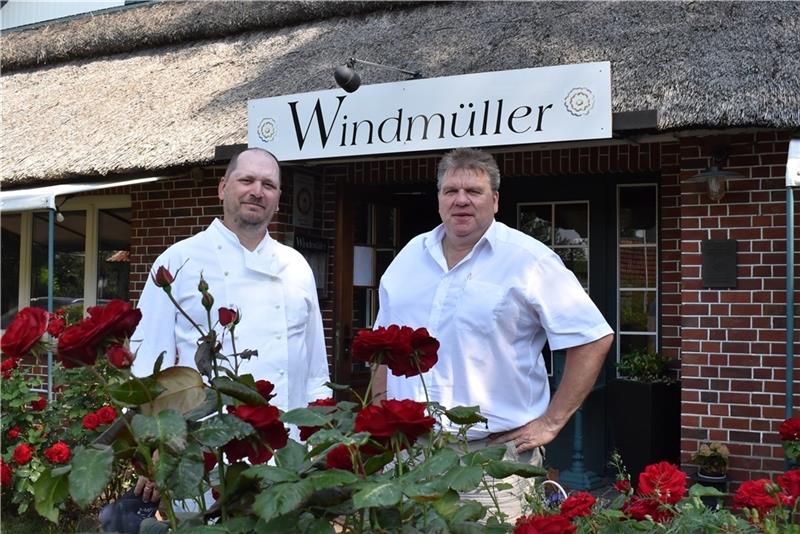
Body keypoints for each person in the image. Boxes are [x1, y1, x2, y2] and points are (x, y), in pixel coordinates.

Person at [373, 147, 613, 519]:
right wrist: (378, 415)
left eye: (474, 191)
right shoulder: (407, 259)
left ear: (496, 201)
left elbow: (593, 337)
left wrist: (551, 421)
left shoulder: (528, 260)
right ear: (439, 200)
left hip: (492, 463)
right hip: (409, 454)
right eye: (451, 191)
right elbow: (383, 347)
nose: (461, 200)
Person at [130, 148, 330, 503]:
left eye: (268, 184)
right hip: (203, 455)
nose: (257, 191)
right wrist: (156, 450)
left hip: (286, 455)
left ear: (279, 199)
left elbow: (315, 367)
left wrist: (319, 442)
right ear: (223, 188)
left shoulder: (296, 267)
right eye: (247, 180)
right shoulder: (179, 260)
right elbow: (146, 365)